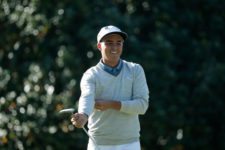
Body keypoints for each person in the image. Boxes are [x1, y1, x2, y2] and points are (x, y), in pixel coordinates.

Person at [71, 25, 149, 150]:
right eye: (109, 42)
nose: (114, 47)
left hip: (129, 143)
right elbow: (87, 97)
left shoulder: (135, 70)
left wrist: (112, 104)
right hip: (98, 144)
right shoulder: (91, 75)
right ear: (99, 46)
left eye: (119, 43)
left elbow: (142, 105)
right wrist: (83, 115)